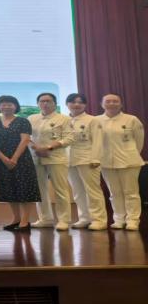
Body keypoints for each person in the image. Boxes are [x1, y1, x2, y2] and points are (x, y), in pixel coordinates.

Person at [0, 95, 38, 232]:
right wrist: (3, 158)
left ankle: (25, 221)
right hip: (1, 160)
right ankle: (16, 219)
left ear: (15, 106)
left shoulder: (23, 121)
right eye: (3, 104)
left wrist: (14, 159)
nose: (6, 106)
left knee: (25, 189)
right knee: (9, 189)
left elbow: (25, 140)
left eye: (10, 104)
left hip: (22, 159)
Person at [97, 93, 144, 231]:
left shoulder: (131, 119)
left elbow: (139, 140)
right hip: (106, 162)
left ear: (121, 104)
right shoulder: (96, 120)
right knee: (114, 192)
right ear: (102, 104)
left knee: (131, 193)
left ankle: (133, 220)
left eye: (115, 101)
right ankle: (119, 219)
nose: (111, 103)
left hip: (129, 161)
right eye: (108, 101)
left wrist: (131, 154)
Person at [28, 92, 74, 231]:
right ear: (38, 104)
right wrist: (36, 148)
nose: (45, 103)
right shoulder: (31, 118)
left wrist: (48, 147)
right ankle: (45, 219)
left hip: (56, 158)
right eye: (42, 101)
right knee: (40, 190)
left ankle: (64, 220)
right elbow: (26, 137)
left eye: (48, 101)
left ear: (55, 103)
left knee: (60, 190)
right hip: (36, 157)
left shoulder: (64, 119)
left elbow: (69, 138)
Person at [64, 93, 107, 230]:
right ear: (67, 104)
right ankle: (84, 218)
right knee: (77, 192)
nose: (76, 105)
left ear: (85, 105)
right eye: (73, 102)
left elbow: (98, 141)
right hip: (68, 160)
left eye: (80, 102)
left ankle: (99, 220)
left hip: (88, 160)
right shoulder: (64, 120)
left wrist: (95, 158)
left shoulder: (92, 120)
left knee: (93, 191)